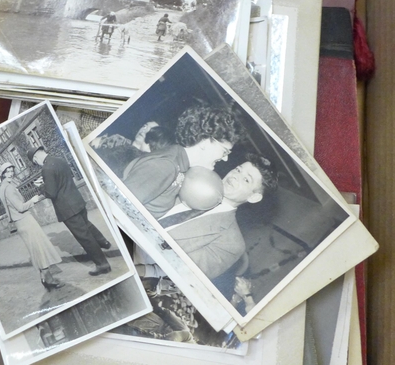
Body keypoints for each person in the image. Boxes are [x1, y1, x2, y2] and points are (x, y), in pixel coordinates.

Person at [165, 153, 278, 299]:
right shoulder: (191, 179)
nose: (235, 176)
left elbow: (181, 272)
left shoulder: (231, 244)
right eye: (238, 170)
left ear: (253, 197)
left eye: (246, 179)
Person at [122, 104, 242, 219]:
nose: (225, 158)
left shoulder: (180, 165)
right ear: (205, 140)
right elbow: (119, 205)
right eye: (225, 151)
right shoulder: (167, 165)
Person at [27, 146, 112, 276]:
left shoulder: (46, 168)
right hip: (77, 201)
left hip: (67, 209)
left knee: (84, 237)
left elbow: (51, 192)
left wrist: (41, 186)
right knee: (87, 225)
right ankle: (103, 241)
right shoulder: (59, 159)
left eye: (35, 162)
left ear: (36, 157)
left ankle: (102, 264)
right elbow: (63, 180)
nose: (36, 164)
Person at [0, 162, 64, 291]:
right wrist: (33, 200)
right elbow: (20, 207)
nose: (11, 173)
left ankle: (45, 277)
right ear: (3, 174)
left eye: (12, 171)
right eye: (8, 172)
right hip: (25, 221)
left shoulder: (3, 188)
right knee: (40, 248)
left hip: (20, 222)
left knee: (36, 249)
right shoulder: (9, 188)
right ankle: (48, 279)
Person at [92, 122, 174, 178]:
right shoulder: (117, 139)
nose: (144, 130)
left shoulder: (143, 164)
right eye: (145, 126)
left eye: (150, 131)